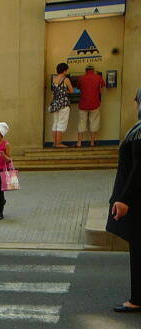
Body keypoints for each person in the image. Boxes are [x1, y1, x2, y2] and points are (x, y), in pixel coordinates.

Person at [107, 88, 141, 313]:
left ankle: (137, 298)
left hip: (135, 202)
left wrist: (124, 199)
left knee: (138, 248)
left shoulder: (139, 133)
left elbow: (138, 169)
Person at [77, 66, 106, 148]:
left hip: (83, 104)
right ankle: (92, 143)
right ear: (94, 70)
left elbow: (78, 88)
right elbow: (103, 86)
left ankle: (79, 143)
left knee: (81, 122)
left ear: (85, 70)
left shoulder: (81, 78)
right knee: (94, 122)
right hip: (95, 104)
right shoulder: (98, 77)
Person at [49, 63, 73, 148]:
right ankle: (59, 143)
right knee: (61, 123)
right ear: (64, 70)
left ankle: (54, 143)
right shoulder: (66, 79)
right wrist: (64, 92)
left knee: (55, 123)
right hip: (63, 103)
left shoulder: (54, 79)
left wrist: (51, 103)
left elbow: (53, 92)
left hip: (55, 103)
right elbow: (71, 90)